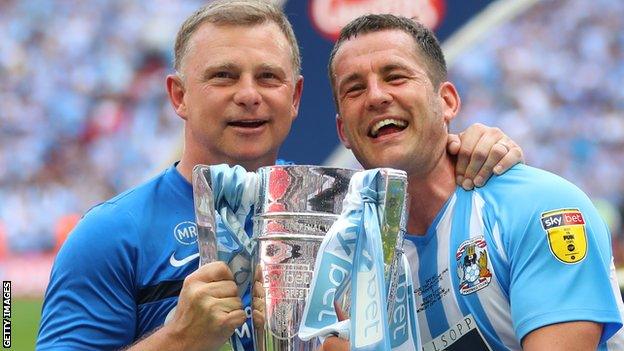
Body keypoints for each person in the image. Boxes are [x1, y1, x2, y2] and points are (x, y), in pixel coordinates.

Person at [36, 2, 524, 350]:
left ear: (294, 98)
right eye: (224, 76)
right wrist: (180, 339)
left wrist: (479, 148)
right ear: (179, 96)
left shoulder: (348, 205)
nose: (249, 95)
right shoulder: (111, 234)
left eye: (268, 78)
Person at [323, 13, 624, 351]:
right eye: (355, 89)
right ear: (343, 132)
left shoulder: (538, 207)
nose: (376, 97)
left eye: (396, 77)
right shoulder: (350, 268)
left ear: (447, 101)